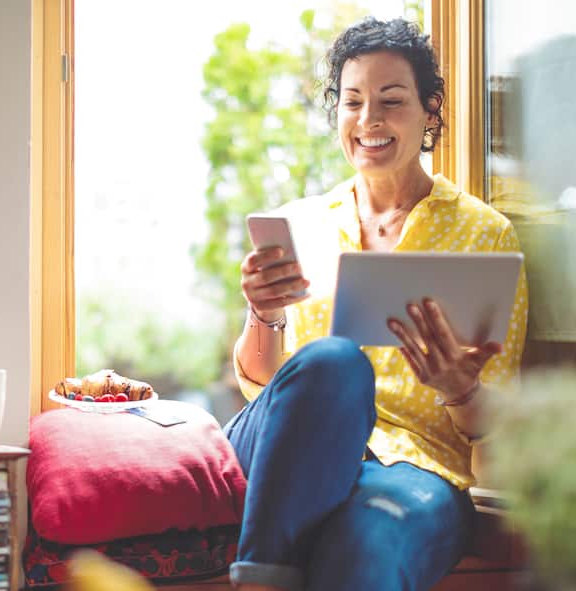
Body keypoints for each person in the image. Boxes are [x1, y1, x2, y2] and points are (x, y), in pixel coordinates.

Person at [223, 17, 528, 591]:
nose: (369, 121)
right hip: (290, 451)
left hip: (415, 473)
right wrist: (263, 314)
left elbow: (496, 426)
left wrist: (460, 389)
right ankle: (259, 582)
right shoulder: (298, 224)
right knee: (335, 363)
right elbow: (262, 384)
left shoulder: (484, 236)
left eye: (391, 101)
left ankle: (270, 571)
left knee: (366, 545)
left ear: (430, 110)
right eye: (353, 101)